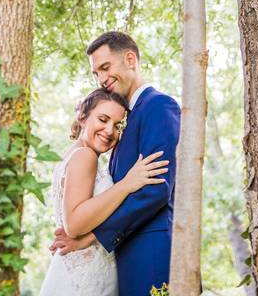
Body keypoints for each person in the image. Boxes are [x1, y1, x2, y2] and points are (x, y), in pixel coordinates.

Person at [50, 31, 181, 296]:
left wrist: (92, 237)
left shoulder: (159, 106)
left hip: (151, 254)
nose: (102, 78)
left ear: (130, 59)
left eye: (106, 67)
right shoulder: (121, 124)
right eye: (96, 73)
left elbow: (155, 189)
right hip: (122, 259)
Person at [38, 87, 168, 295]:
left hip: (79, 267)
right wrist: (126, 184)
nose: (109, 131)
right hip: (86, 274)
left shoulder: (72, 154)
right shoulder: (85, 156)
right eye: (103, 119)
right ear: (82, 117)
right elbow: (74, 224)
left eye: (117, 125)